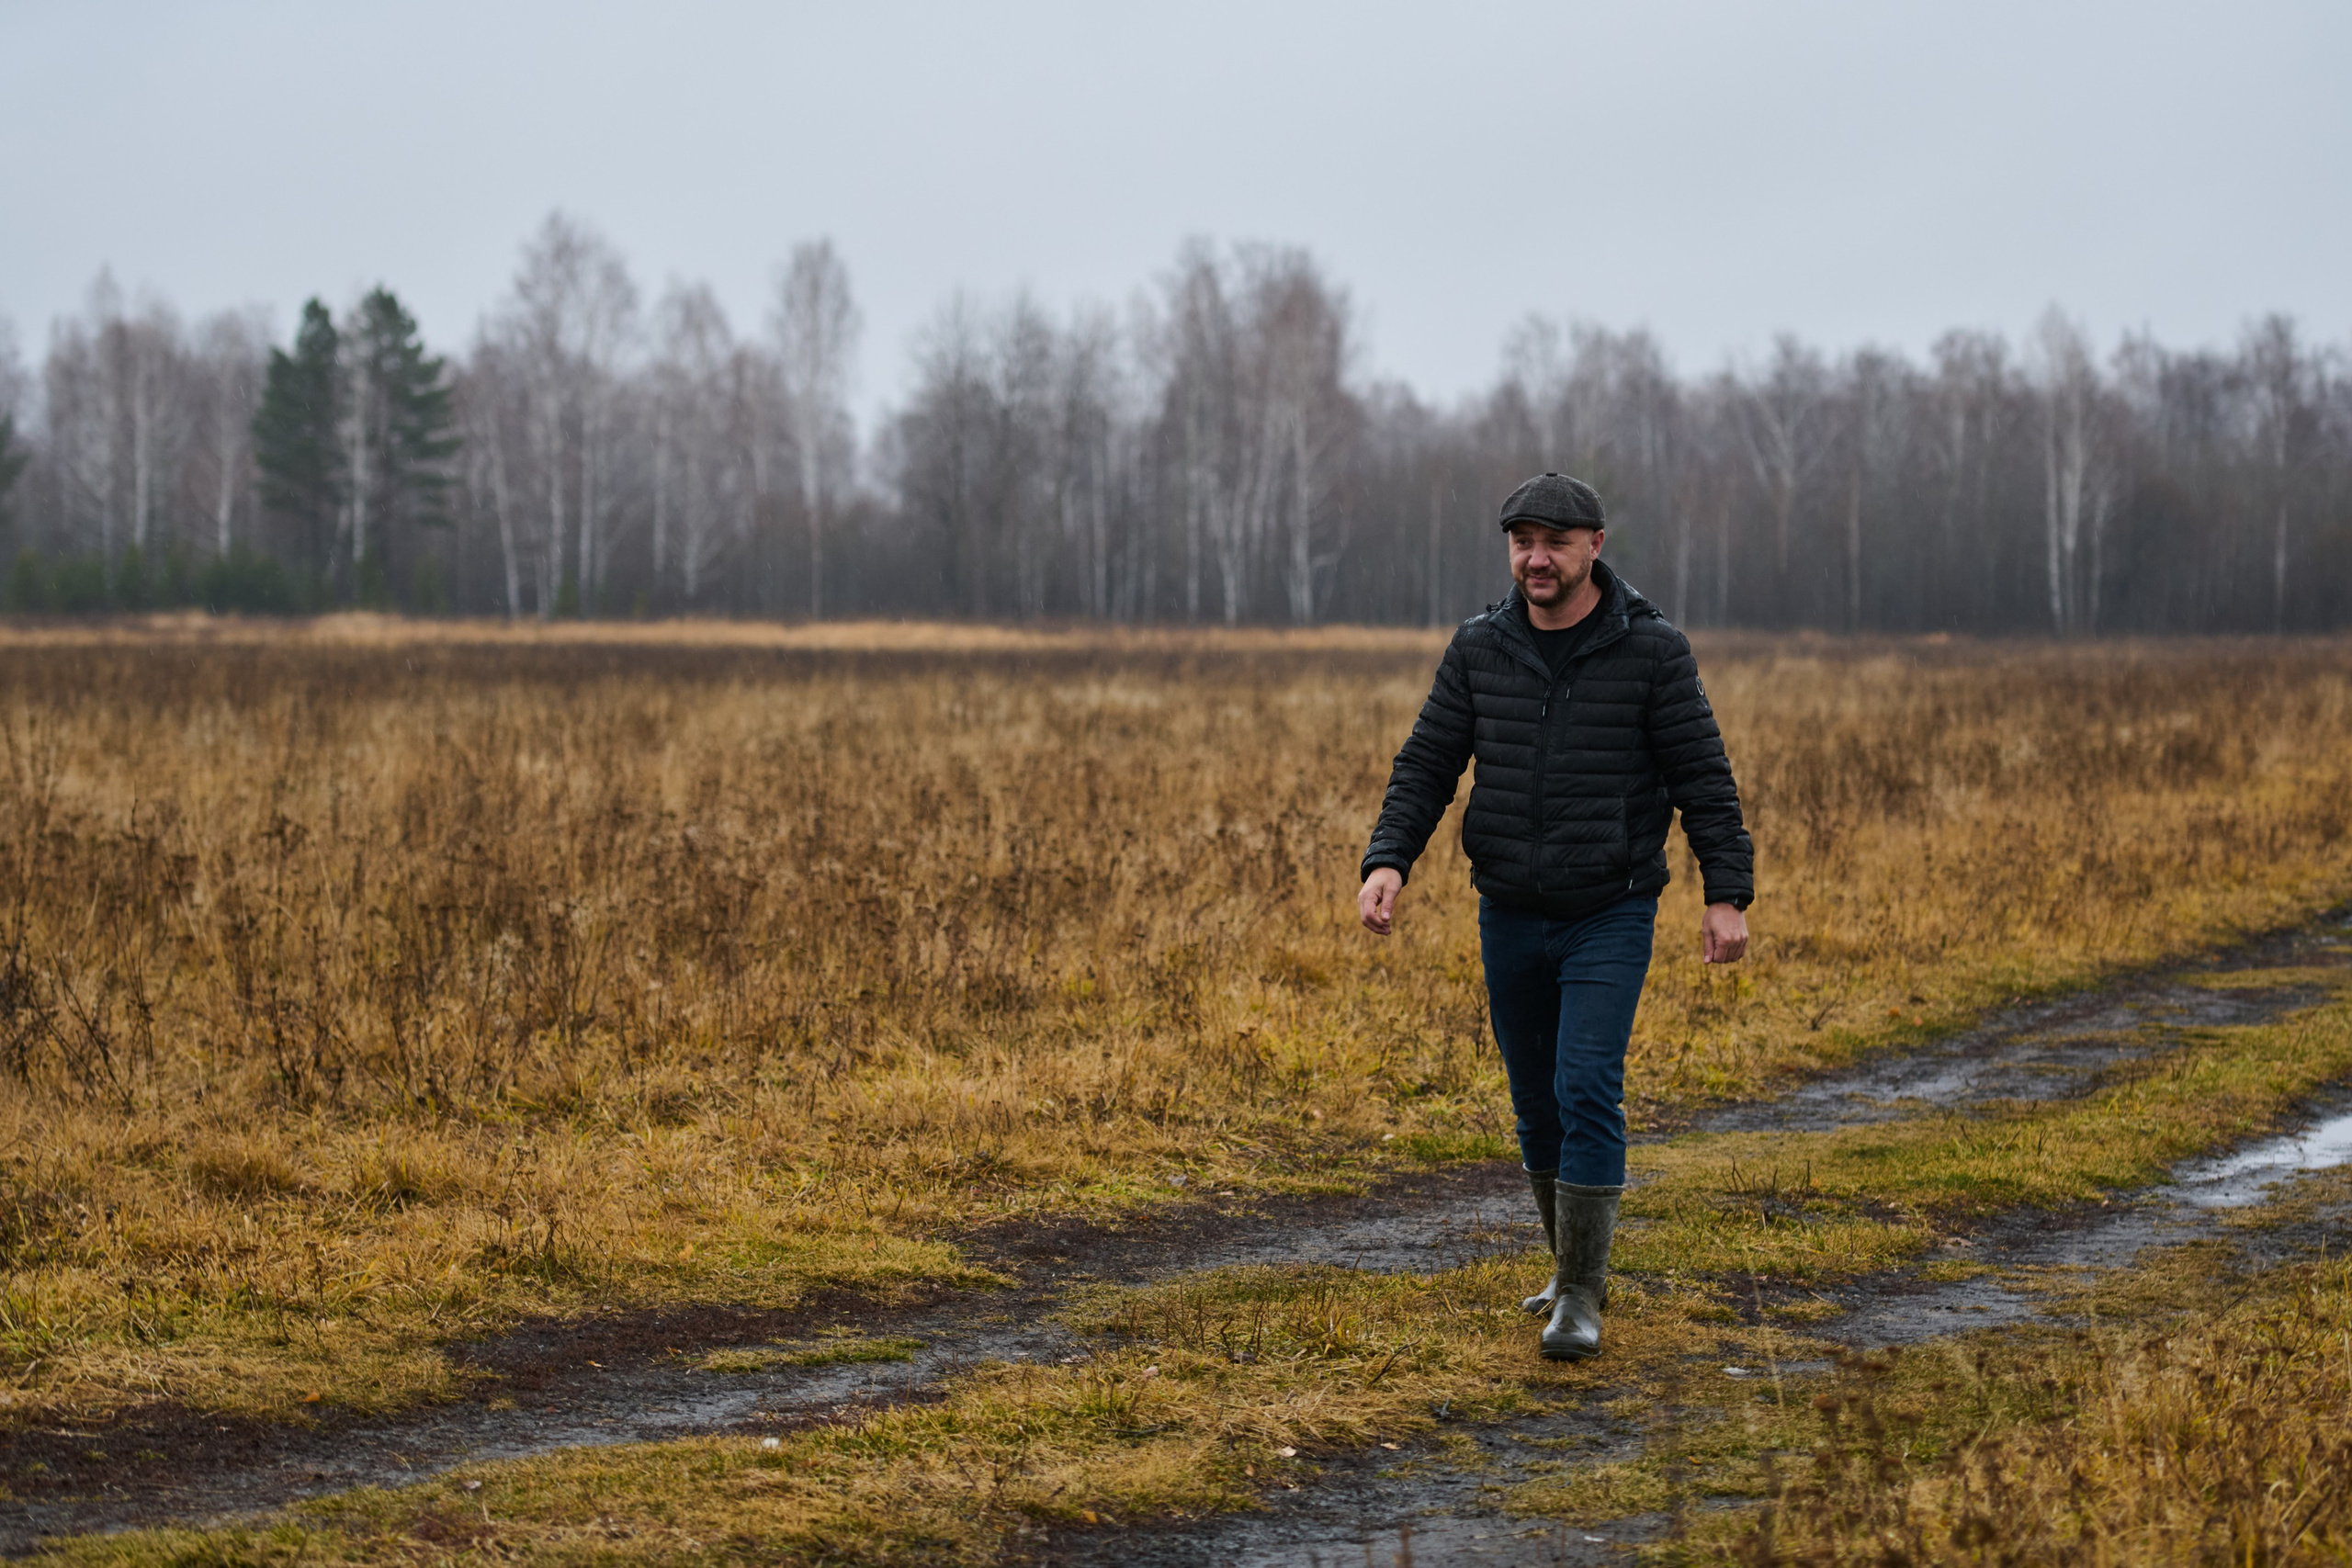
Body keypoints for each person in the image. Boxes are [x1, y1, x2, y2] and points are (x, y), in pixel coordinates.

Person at [1358, 472, 1753, 1360]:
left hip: (1609, 909)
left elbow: (1703, 778)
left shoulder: (1654, 652)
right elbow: (1427, 762)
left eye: (1556, 541)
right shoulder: (1479, 648)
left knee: (1585, 1086)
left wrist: (1725, 891)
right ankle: (1564, 1263)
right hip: (1509, 909)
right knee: (1535, 1102)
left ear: (1595, 548)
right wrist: (1388, 860)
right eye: (1522, 540)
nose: (1537, 558)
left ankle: (1581, 1294)